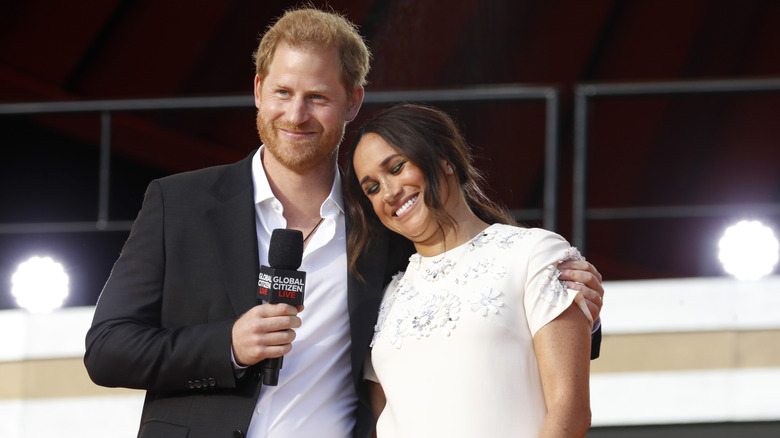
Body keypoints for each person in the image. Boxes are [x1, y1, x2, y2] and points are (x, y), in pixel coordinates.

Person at [84, 6, 604, 438]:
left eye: (318, 97)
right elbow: (107, 351)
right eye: (284, 93)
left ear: (352, 102)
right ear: (259, 90)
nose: (296, 114)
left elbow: (472, 281)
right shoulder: (180, 203)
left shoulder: (384, 221)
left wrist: (576, 306)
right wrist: (227, 346)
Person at [344, 103, 594, 437]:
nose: (388, 192)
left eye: (397, 167)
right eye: (372, 188)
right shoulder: (384, 296)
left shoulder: (534, 253)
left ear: (444, 158)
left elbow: (570, 411)